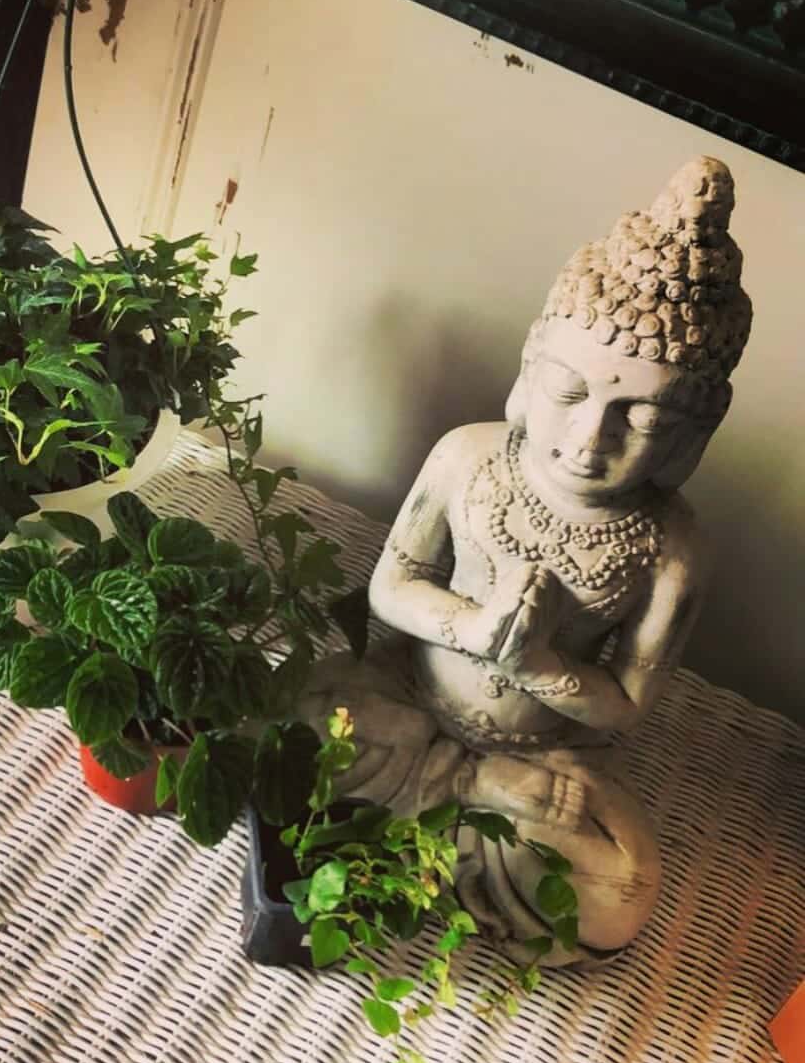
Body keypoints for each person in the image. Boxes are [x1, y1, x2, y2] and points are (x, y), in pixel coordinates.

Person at [299, 156, 752, 962]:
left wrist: (537, 661)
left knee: (622, 888)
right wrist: (475, 628)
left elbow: (624, 705)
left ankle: (463, 801)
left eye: (638, 417)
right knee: (288, 712)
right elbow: (390, 588)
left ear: (693, 427)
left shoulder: (673, 547)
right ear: (530, 362)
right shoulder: (469, 459)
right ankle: (457, 796)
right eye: (572, 393)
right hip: (410, 697)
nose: (590, 439)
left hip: (543, 757)